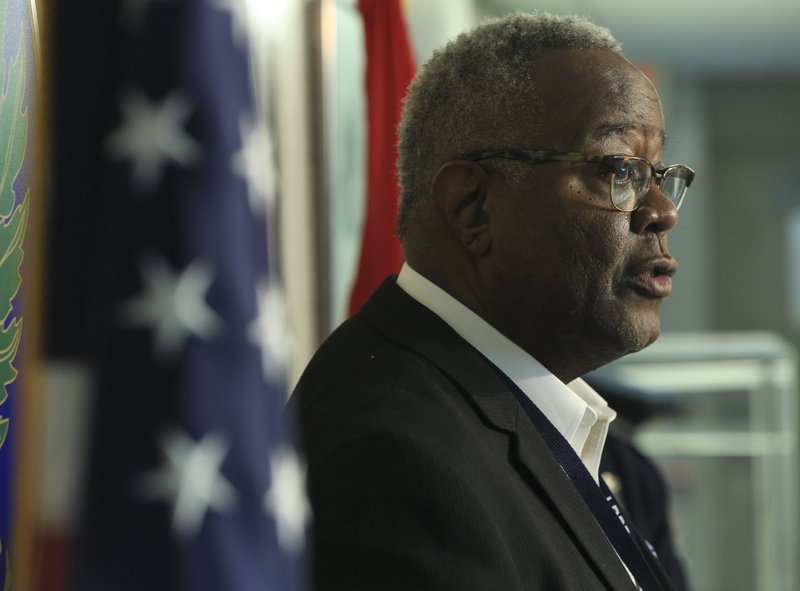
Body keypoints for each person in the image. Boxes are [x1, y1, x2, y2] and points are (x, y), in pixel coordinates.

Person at [290, 12, 695, 591]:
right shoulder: (398, 461)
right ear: (471, 208)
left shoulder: (513, 412)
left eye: (658, 173)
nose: (662, 210)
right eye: (619, 169)